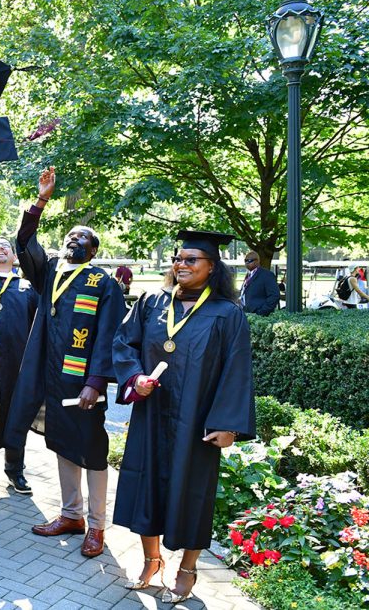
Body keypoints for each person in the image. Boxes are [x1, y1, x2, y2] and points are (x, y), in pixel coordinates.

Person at [112, 230, 255, 603]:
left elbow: (236, 370)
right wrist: (133, 378)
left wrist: (228, 425)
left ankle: (188, 568)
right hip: (153, 414)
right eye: (178, 258)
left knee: (192, 493)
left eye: (191, 260)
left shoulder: (226, 314)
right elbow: (124, 343)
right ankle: (151, 560)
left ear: (212, 267)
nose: (181, 265)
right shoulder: (151, 302)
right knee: (146, 486)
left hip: (196, 421)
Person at [4, 166, 127, 558]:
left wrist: (96, 382)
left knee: (91, 450)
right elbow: (24, 242)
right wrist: (41, 201)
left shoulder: (103, 283)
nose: (75, 240)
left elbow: (109, 336)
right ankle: (71, 514)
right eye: (71, 235)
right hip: (52, 377)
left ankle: (96, 526)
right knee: (61, 444)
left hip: (84, 385)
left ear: (94, 251)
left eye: (84, 238)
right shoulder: (51, 271)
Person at [0, 237, 38, 494]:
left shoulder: (27, 288)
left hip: (17, 364)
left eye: (6, 246)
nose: (0, 248)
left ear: (15, 257)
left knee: (16, 417)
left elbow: (38, 327)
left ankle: (15, 471)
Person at [239, 251, 278, 316]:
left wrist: (262, 312)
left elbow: (274, 296)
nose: (247, 263)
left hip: (259, 316)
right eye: (245, 260)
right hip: (245, 313)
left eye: (250, 260)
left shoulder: (267, 275)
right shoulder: (249, 275)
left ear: (257, 261)